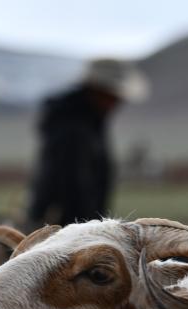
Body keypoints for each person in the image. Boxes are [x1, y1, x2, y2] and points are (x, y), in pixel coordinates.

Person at [27, 58, 149, 227]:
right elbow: (71, 185)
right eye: (114, 96)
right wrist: (85, 228)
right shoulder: (72, 125)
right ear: (98, 91)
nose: (117, 103)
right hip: (66, 226)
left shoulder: (88, 122)